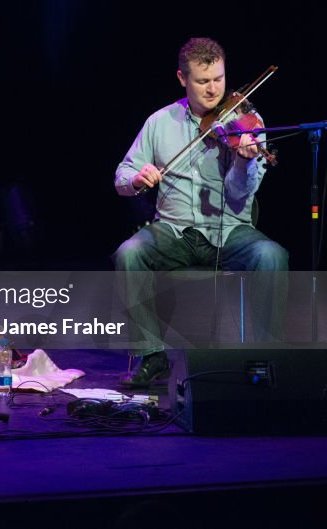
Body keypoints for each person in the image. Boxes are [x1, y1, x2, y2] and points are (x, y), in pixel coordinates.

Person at [113, 37, 288, 388]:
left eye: (219, 79)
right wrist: (137, 179)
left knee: (272, 255)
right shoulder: (159, 122)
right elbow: (121, 175)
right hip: (174, 231)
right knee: (128, 254)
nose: (213, 90)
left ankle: (266, 357)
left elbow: (241, 196)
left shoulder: (246, 121)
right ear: (182, 78)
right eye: (203, 81)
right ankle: (152, 357)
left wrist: (244, 159)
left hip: (231, 231)